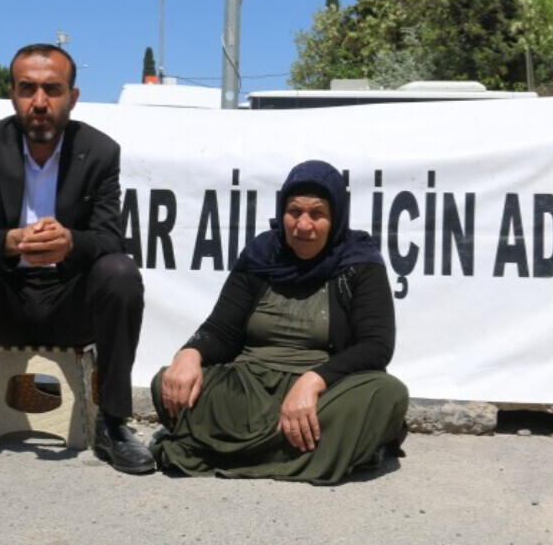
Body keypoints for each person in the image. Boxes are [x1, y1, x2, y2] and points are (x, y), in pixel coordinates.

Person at [0, 43, 154, 484]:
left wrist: (70, 243)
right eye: (27, 89)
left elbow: (110, 238)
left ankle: (113, 425)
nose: (39, 102)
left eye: (52, 89)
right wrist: (10, 241)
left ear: (72, 97)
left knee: (121, 273)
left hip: (69, 305)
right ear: (12, 94)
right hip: (3, 303)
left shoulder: (100, 151)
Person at [151, 159, 409, 485]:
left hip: (322, 394)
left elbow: (376, 346)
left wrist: (313, 381)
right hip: (249, 388)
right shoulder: (261, 256)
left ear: (336, 218)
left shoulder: (358, 262)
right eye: (294, 211)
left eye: (317, 214)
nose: (303, 225)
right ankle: (326, 452)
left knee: (388, 394)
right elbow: (220, 329)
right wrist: (190, 353)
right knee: (166, 383)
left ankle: (216, 450)